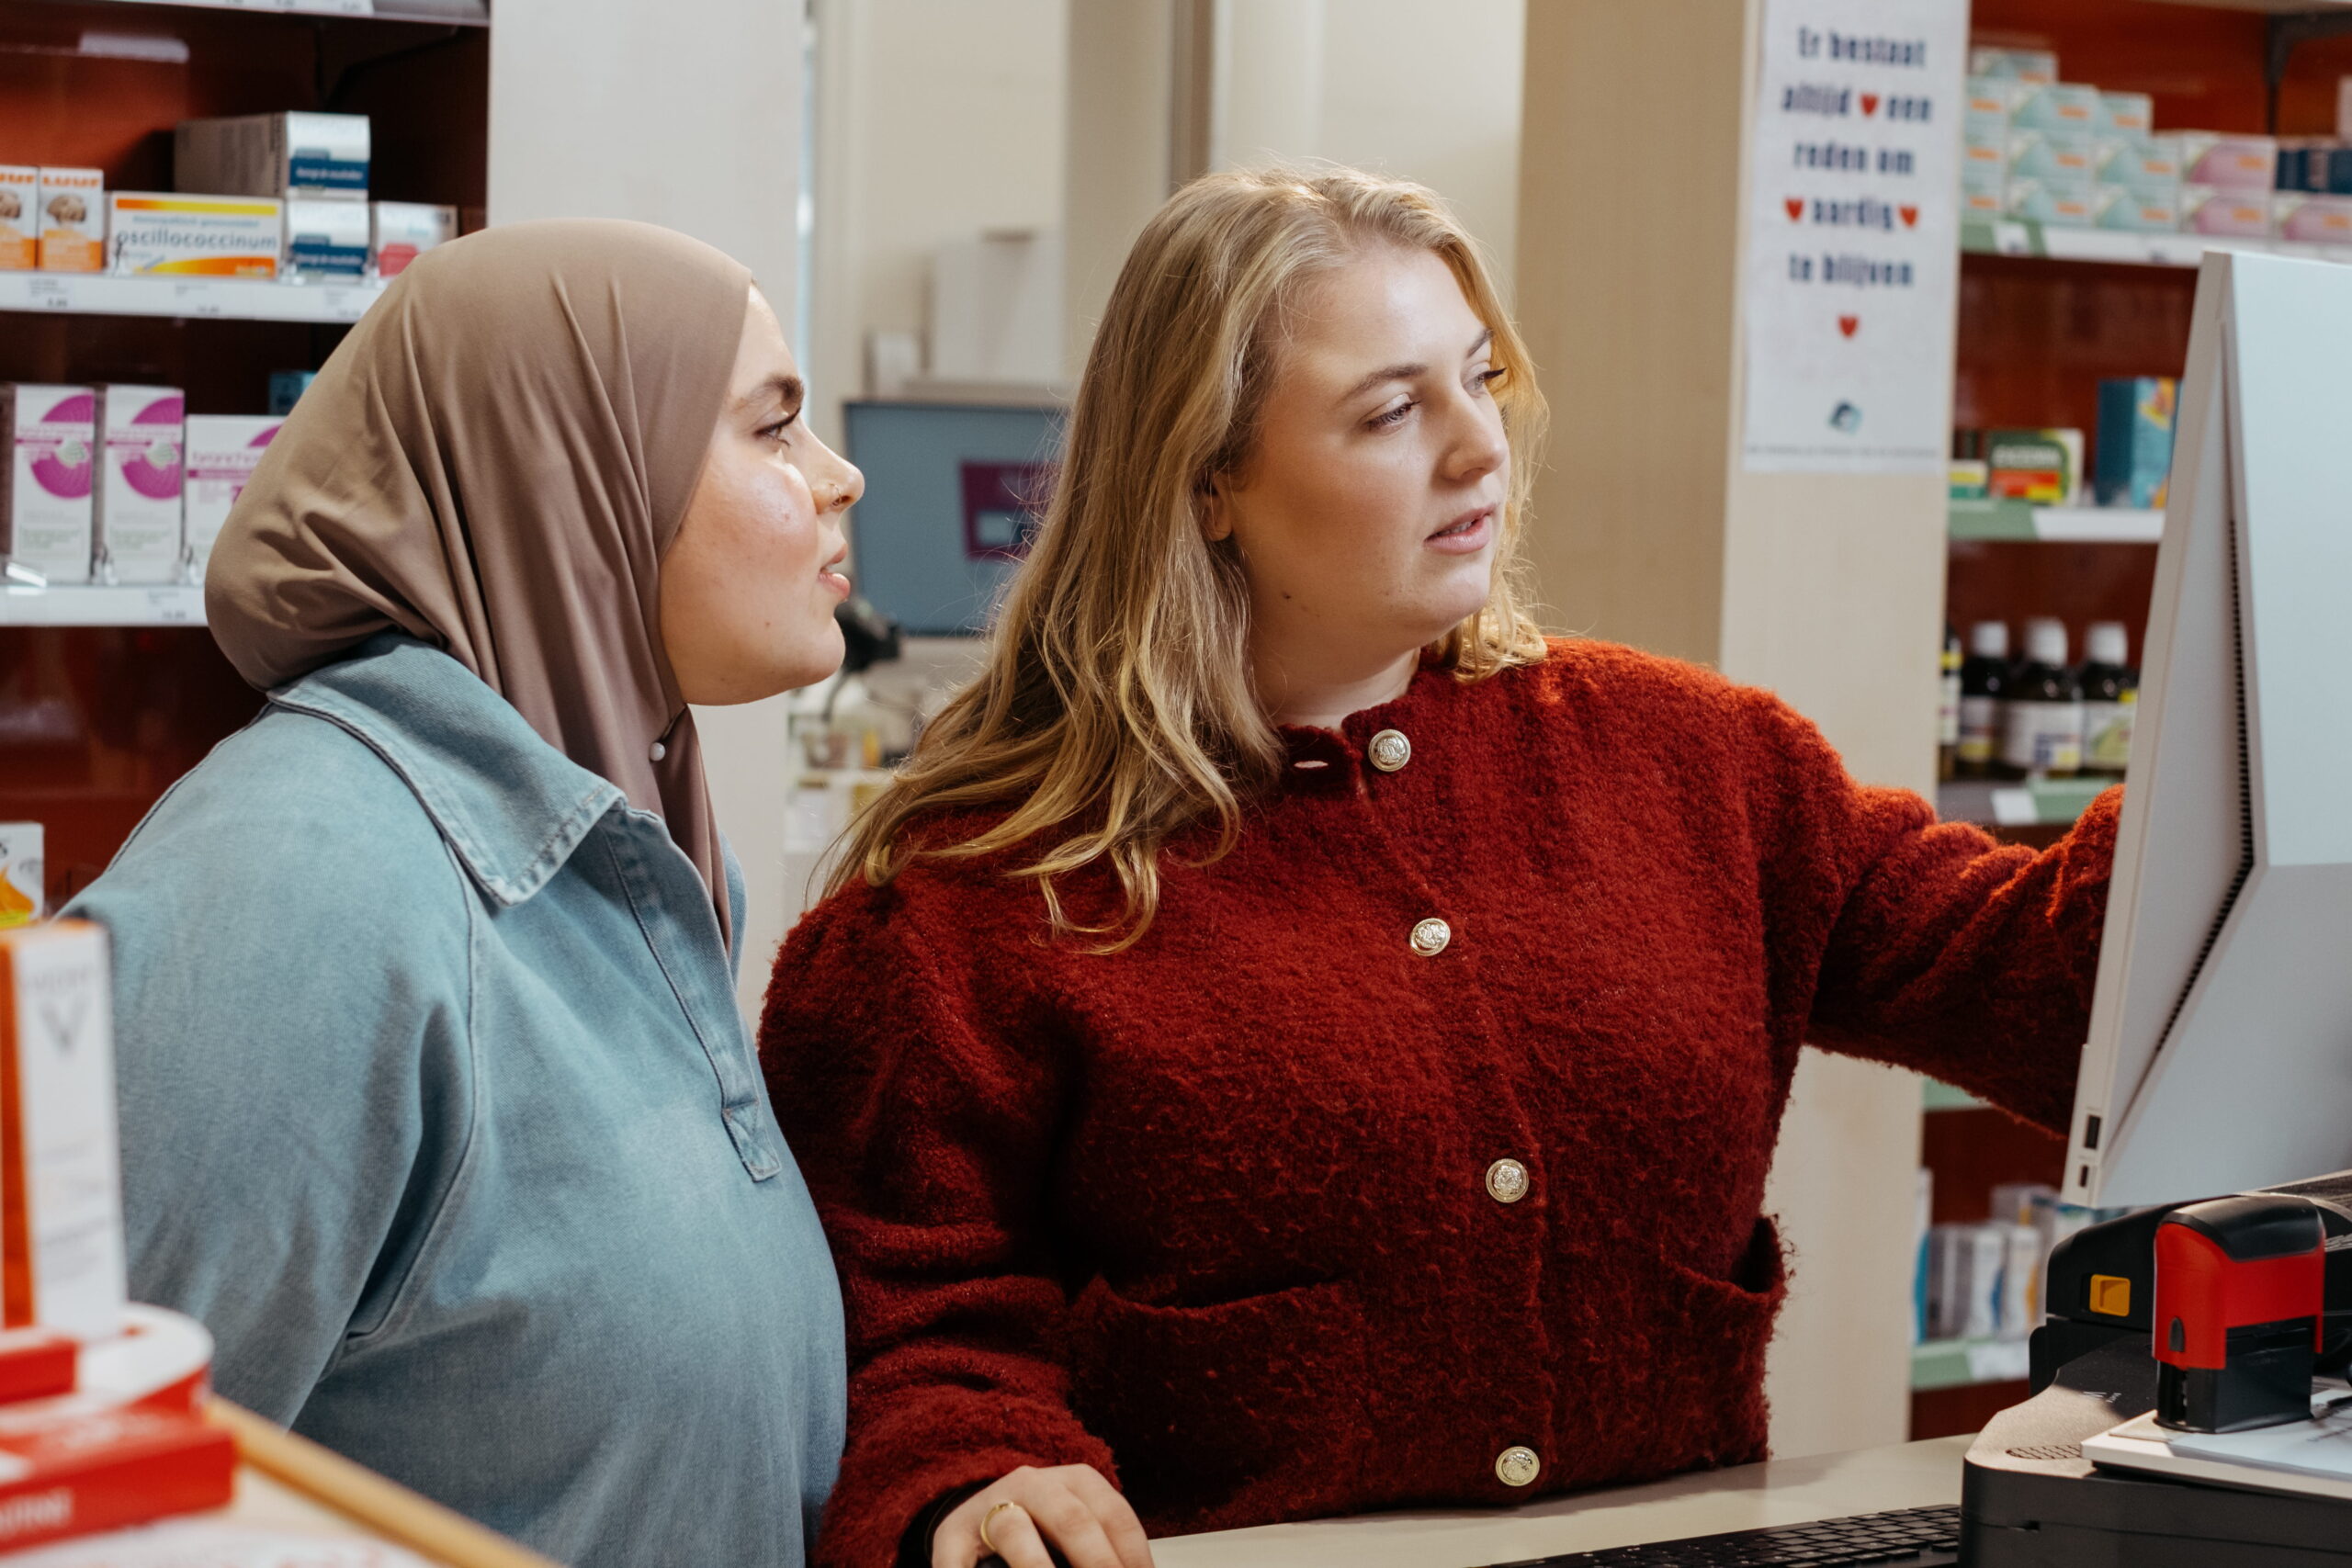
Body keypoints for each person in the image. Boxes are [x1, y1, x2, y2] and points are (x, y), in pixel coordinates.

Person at [759, 168, 2118, 1568]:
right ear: (1209, 481)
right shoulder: (978, 889)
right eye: (1394, 410)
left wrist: (2257, 725)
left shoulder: (1697, 762)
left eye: (1481, 380)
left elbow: (2054, 980)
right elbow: (907, 1324)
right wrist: (979, 1469)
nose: (1481, 449)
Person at [68, 220, 860, 1568]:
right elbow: (78, 1501)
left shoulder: (634, 858)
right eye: (773, 428)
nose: (836, 478)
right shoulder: (294, 894)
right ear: (572, 478)